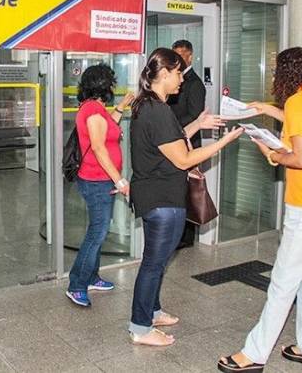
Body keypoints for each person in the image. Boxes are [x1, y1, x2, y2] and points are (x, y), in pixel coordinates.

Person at [218, 47, 302, 373]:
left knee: (282, 282)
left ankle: (254, 354)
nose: (274, 77)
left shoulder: (298, 102)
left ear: (288, 74)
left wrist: (274, 155)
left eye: (277, 71)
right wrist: (268, 111)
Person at [129, 48, 242, 346]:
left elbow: (170, 141)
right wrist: (225, 142)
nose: (182, 78)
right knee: (154, 263)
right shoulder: (158, 110)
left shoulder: (148, 105)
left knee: (156, 260)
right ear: (164, 74)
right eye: (178, 72)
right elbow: (182, 158)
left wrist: (197, 125)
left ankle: (151, 311)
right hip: (162, 199)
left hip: (155, 196)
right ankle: (140, 328)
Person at [65, 63, 133, 307]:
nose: (113, 86)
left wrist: (122, 107)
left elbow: (108, 128)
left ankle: (91, 277)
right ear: (103, 85)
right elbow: (98, 147)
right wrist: (120, 179)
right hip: (97, 181)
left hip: (100, 180)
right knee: (97, 233)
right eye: (111, 83)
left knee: (98, 231)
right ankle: (76, 284)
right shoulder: (93, 110)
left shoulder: (96, 108)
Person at [169, 40, 207, 249]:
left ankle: (186, 237)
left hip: (188, 142)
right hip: (173, 141)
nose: (178, 59)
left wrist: (170, 128)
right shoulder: (175, 80)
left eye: (182, 55)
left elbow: (194, 115)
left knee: (187, 189)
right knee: (177, 189)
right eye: (175, 54)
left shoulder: (195, 83)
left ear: (190, 57)